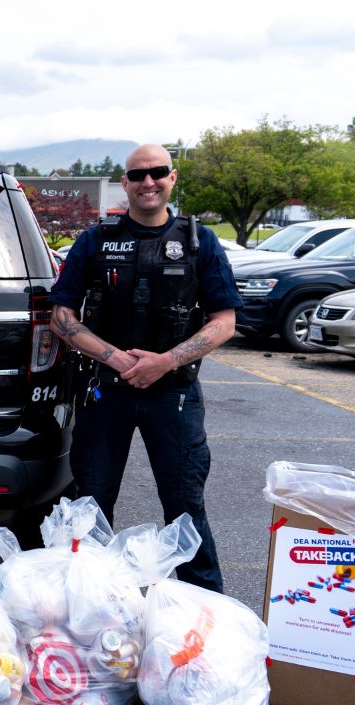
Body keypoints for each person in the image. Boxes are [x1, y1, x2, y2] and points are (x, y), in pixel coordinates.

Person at [48, 144, 242, 593]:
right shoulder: (96, 240)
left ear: (172, 178)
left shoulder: (199, 241)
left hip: (172, 393)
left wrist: (166, 361)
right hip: (105, 390)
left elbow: (225, 321)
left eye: (157, 173)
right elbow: (61, 315)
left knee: (185, 505)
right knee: (90, 505)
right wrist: (114, 357)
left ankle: (207, 614)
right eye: (138, 175)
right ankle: (85, 605)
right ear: (125, 183)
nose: (148, 182)